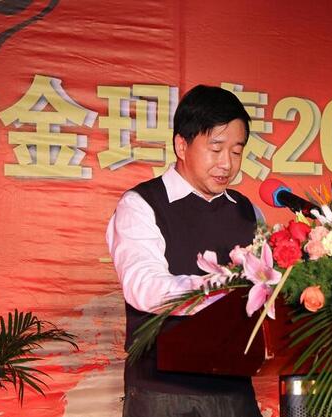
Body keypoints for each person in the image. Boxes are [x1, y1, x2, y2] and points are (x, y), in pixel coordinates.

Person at [106, 85, 263, 417]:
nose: (227, 163)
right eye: (216, 148)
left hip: (235, 391)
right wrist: (220, 290)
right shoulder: (141, 204)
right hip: (162, 393)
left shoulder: (248, 211)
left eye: (236, 151)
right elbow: (143, 286)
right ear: (181, 145)